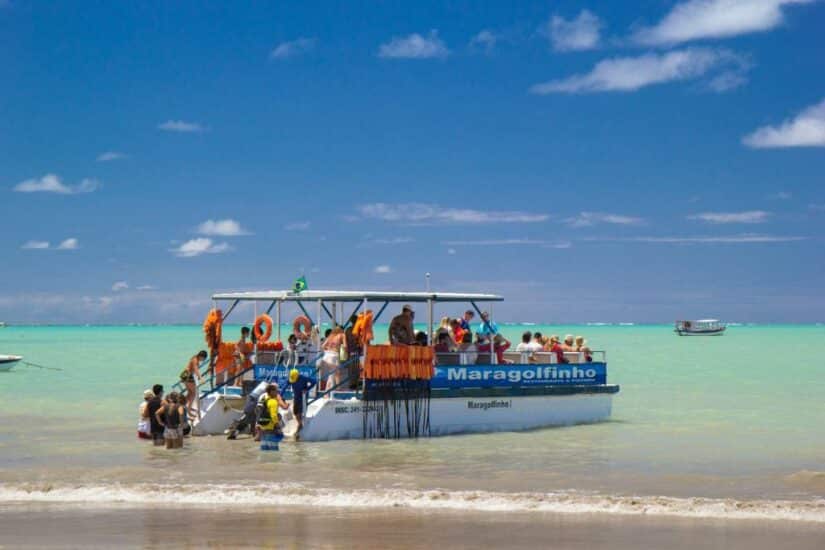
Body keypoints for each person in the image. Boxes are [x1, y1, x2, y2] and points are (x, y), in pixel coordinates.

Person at [257, 384, 290, 451]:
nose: (277, 392)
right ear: (272, 391)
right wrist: (278, 426)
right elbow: (274, 416)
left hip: (263, 428)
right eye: (276, 391)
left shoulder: (265, 400)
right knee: (274, 450)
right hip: (271, 428)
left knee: (264, 449)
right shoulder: (273, 402)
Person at [288, 369, 317, 439]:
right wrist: (280, 394)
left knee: (300, 412)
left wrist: (307, 389)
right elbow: (285, 385)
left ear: (297, 376)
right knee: (295, 412)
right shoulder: (291, 378)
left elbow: (314, 381)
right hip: (296, 397)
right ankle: (300, 423)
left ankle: (299, 428)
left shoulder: (303, 378)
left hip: (302, 398)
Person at [318, 325, 346, 391]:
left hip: (326, 356)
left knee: (332, 374)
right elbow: (345, 346)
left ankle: (330, 391)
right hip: (334, 356)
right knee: (336, 374)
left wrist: (329, 349)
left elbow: (322, 346)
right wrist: (342, 351)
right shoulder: (342, 335)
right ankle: (336, 390)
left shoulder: (331, 336)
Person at [180, 351, 206, 419]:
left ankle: (183, 406)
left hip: (185, 375)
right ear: (201, 356)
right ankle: (188, 411)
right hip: (188, 376)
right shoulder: (195, 360)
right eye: (203, 359)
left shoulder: (194, 358)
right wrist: (201, 378)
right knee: (194, 394)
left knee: (190, 393)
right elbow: (196, 369)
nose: (203, 360)